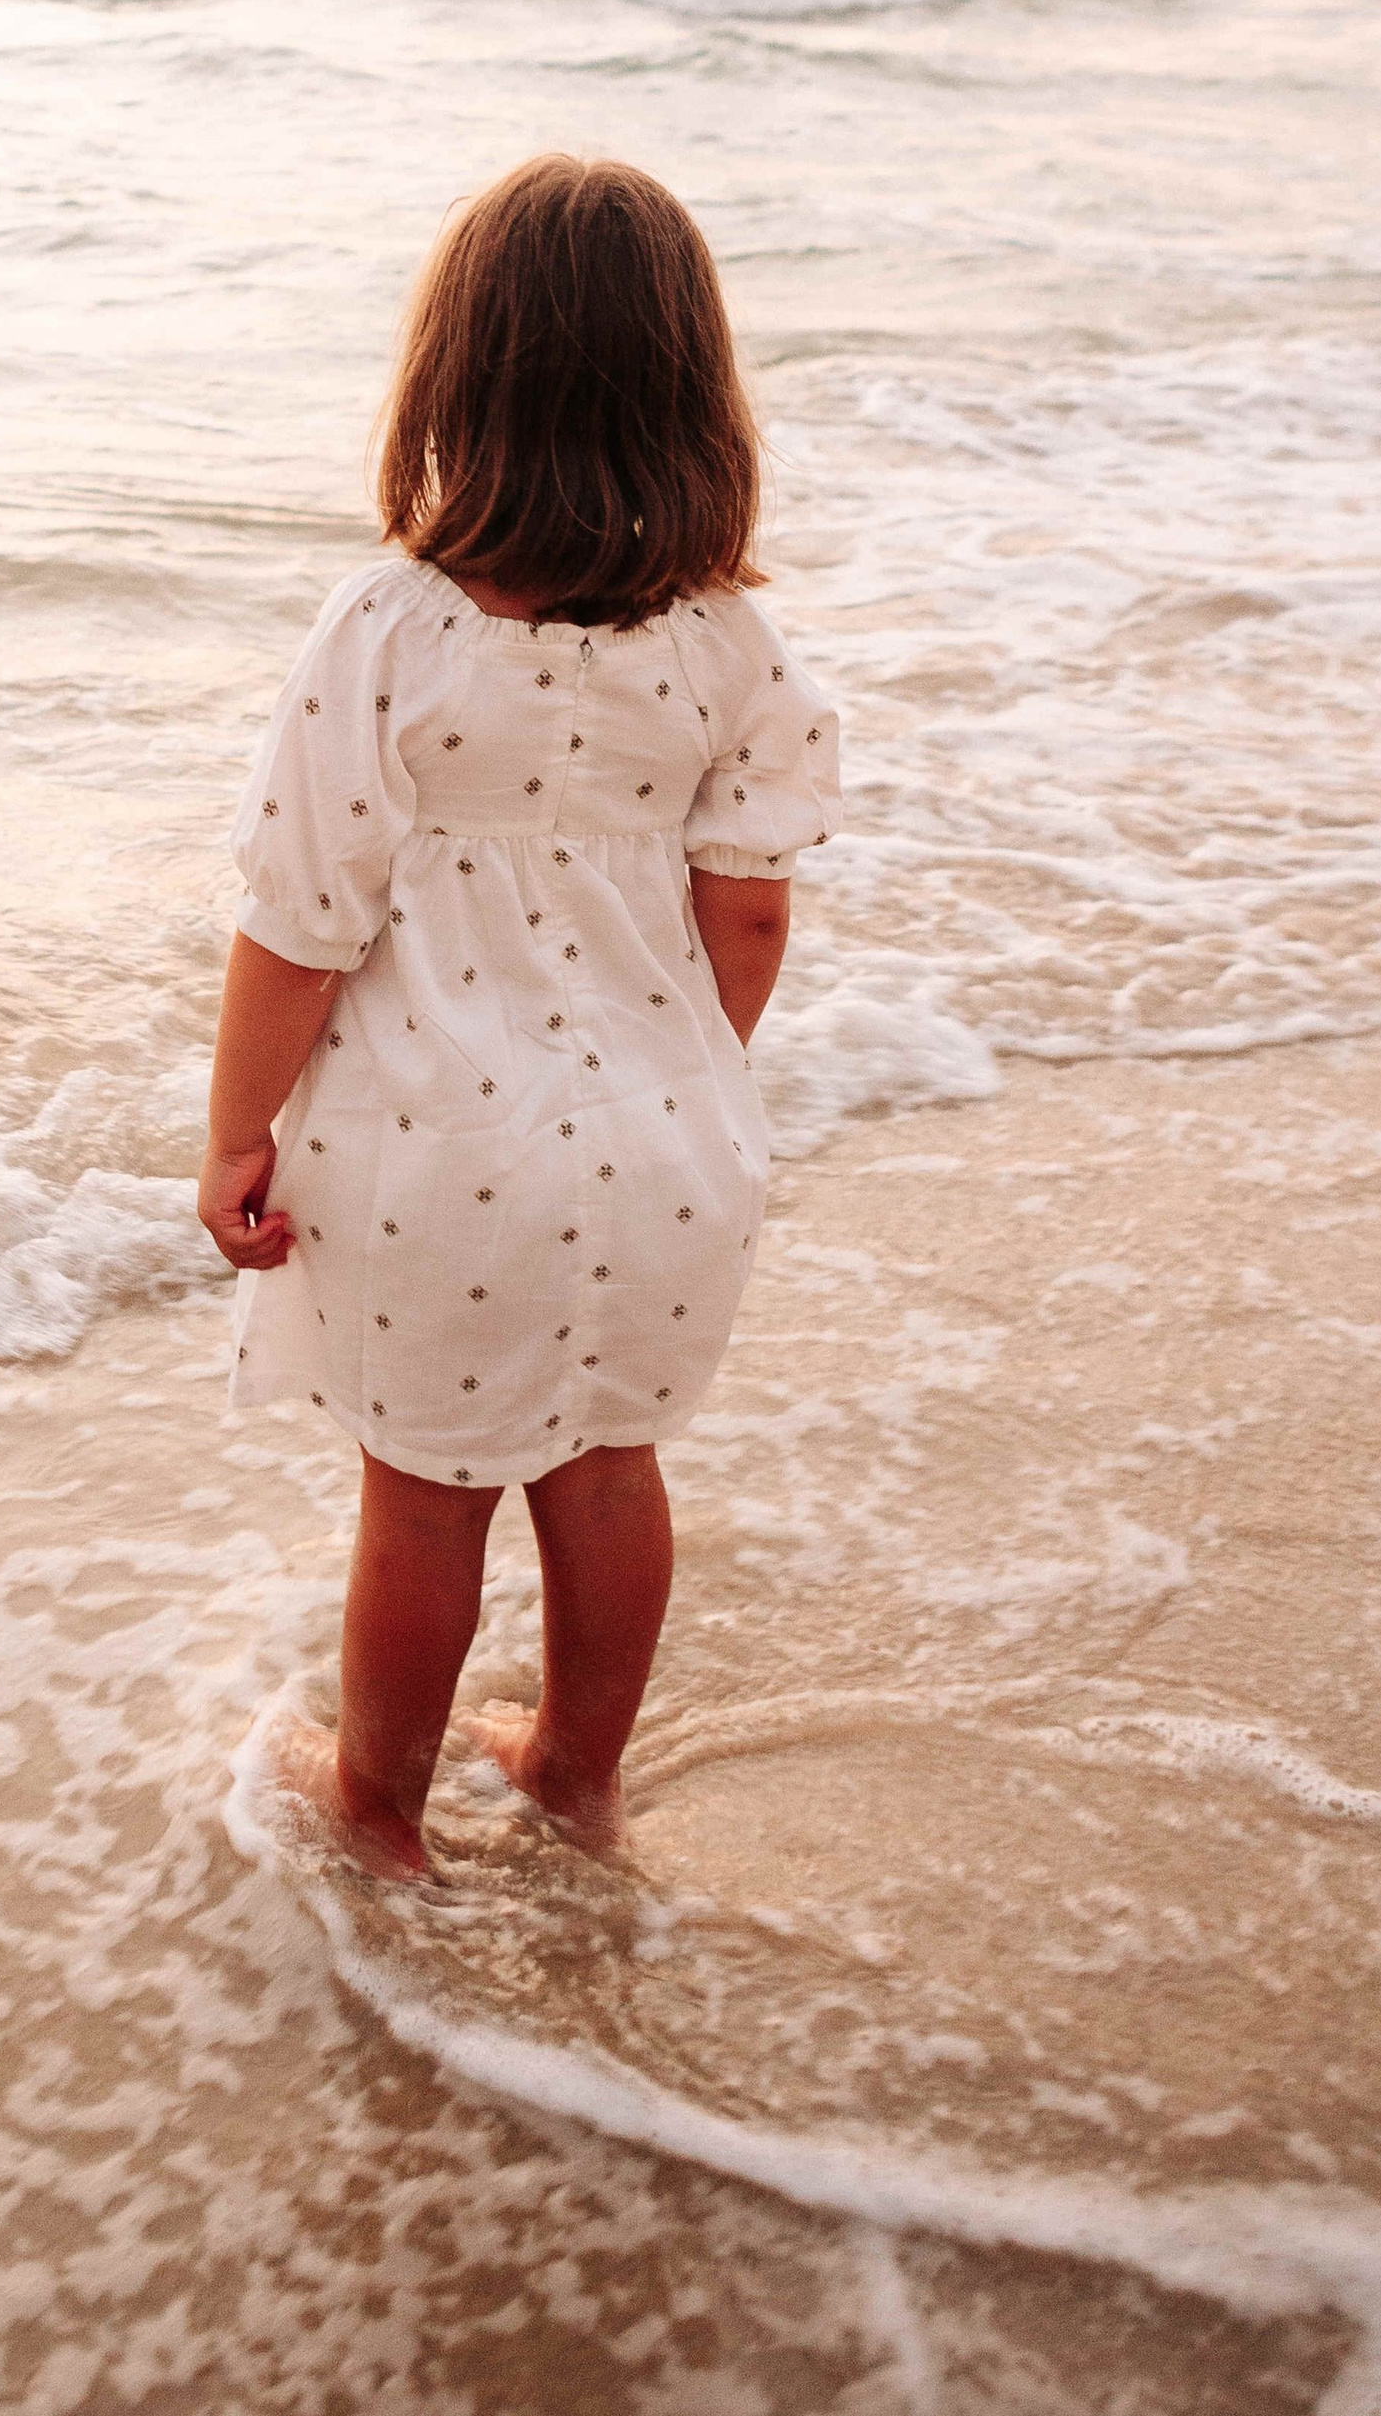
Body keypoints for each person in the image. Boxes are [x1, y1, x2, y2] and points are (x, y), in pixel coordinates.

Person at [196, 155, 841, 1879]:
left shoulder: (391, 628)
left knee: (422, 1500)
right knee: (611, 1465)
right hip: (668, 1142)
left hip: (434, 1148)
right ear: (694, 393)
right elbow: (753, 904)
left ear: (452, 380)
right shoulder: (732, 646)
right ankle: (574, 1770)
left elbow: (300, 922)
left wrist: (234, 1134)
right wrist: (675, 1073)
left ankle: (382, 1814)